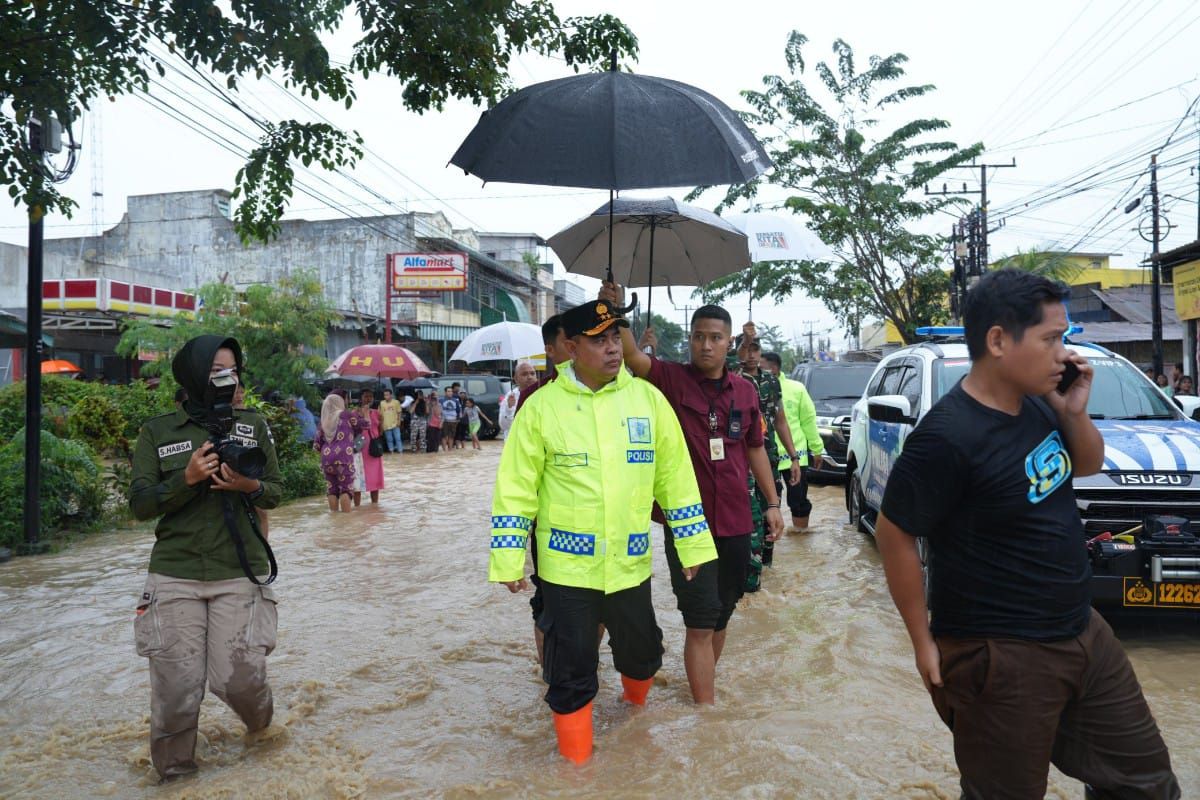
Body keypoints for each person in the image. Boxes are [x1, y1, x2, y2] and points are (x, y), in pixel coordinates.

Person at [874, 269, 1178, 799]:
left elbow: (1086, 463)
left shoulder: (1040, 402)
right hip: (1001, 655)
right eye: (1051, 338)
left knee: (1146, 785)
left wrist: (1073, 411)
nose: (1064, 353)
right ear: (998, 341)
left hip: (1083, 631)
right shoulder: (945, 437)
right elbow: (894, 532)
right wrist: (922, 642)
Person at [490, 300, 717, 764]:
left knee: (642, 655)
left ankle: (634, 718)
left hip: (629, 566)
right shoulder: (542, 409)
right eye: (600, 340)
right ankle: (578, 773)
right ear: (571, 347)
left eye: (617, 337)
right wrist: (510, 558)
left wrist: (693, 546)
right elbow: (515, 489)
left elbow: (676, 480)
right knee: (570, 673)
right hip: (566, 571)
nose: (613, 349)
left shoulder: (648, 401)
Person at [601, 282, 783, 705]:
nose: (706, 346)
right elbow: (630, 356)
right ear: (690, 339)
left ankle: (705, 688)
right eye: (699, 337)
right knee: (700, 622)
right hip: (688, 522)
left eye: (716, 338)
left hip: (740, 518)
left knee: (723, 613)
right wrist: (611, 310)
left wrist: (773, 504)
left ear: (730, 343)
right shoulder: (670, 379)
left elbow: (755, 446)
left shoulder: (746, 390)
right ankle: (707, 715)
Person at [128, 335, 282, 782]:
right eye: (216, 369)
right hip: (175, 573)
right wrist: (189, 478)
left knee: (238, 679)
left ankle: (264, 732)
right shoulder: (158, 431)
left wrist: (247, 487)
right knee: (177, 689)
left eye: (232, 369)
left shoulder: (252, 425)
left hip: (239, 569)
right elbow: (139, 505)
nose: (227, 378)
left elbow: (275, 488)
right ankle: (176, 779)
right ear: (193, 373)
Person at [734, 324, 802, 582]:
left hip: (769, 457)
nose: (751, 354)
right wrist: (740, 345)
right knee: (749, 518)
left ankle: (766, 573)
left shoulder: (771, 381)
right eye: (746, 349)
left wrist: (793, 457)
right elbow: (725, 361)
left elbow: (781, 420)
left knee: (771, 513)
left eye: (755, 348)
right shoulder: (733, 377)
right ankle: (748, 579)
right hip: (740, 459)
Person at [761, 351, 831, 532]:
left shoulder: (796, 388)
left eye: (762, 366)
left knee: (798, 501)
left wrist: (817, 449)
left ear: (773, 368)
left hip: (795, 458)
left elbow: (808, 420)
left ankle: (801, 537)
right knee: (768, 500)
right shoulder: (755, 388)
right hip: (766, 456)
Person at [315, 393, 358, 512]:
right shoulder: (345, 415)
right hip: (343, 458)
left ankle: (334, 517)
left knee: (331, 489)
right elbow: (364, 425)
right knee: (346, 488)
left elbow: (317, 445)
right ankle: (345, 520)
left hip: (326, 460)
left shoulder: (323, 421)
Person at [354, 388, 384, 504]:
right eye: (366, 396)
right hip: (360, 445)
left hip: (374, 446)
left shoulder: (376, 413)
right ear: (361, 398)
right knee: (358, 476)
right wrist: (364, 414)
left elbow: (380, 432)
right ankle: (357, 506)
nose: (368, 398)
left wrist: (382, 420)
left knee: (375, 476)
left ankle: (375, 505)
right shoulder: (355, 413)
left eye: (371, 396)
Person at [499, 360, 538, 439]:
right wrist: (509, 408)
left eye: (532, 373)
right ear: (516, 379)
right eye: (524, 374)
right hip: (516, 443)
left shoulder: (542, 394)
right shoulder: (511, 396)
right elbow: (504, 426)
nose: (530, 377)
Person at [379, 388, 403, 453]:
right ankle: (391, 451)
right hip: (386, 424)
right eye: (385, 395)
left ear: (391, 395)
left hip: (395, 423)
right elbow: (380, 414)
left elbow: (399, 412)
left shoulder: (396, 402)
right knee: (389, 439)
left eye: (387, 395)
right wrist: (381, 424)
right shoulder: (382, 403)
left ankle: (400, 451)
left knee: (398, 438)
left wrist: (399, 421)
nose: (386, 396)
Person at [440, 386, 461, 452]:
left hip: (453, 420)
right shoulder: (441, 400)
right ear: (445, 392)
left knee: (451, 436)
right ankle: (444, 450)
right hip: (444, 420)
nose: (450, 393)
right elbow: (439, 411)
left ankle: (450, 450)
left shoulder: (456, 401)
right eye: (448, 391)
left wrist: (458, 420)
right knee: (444, 436)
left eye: (451, 391)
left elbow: (458, 411)